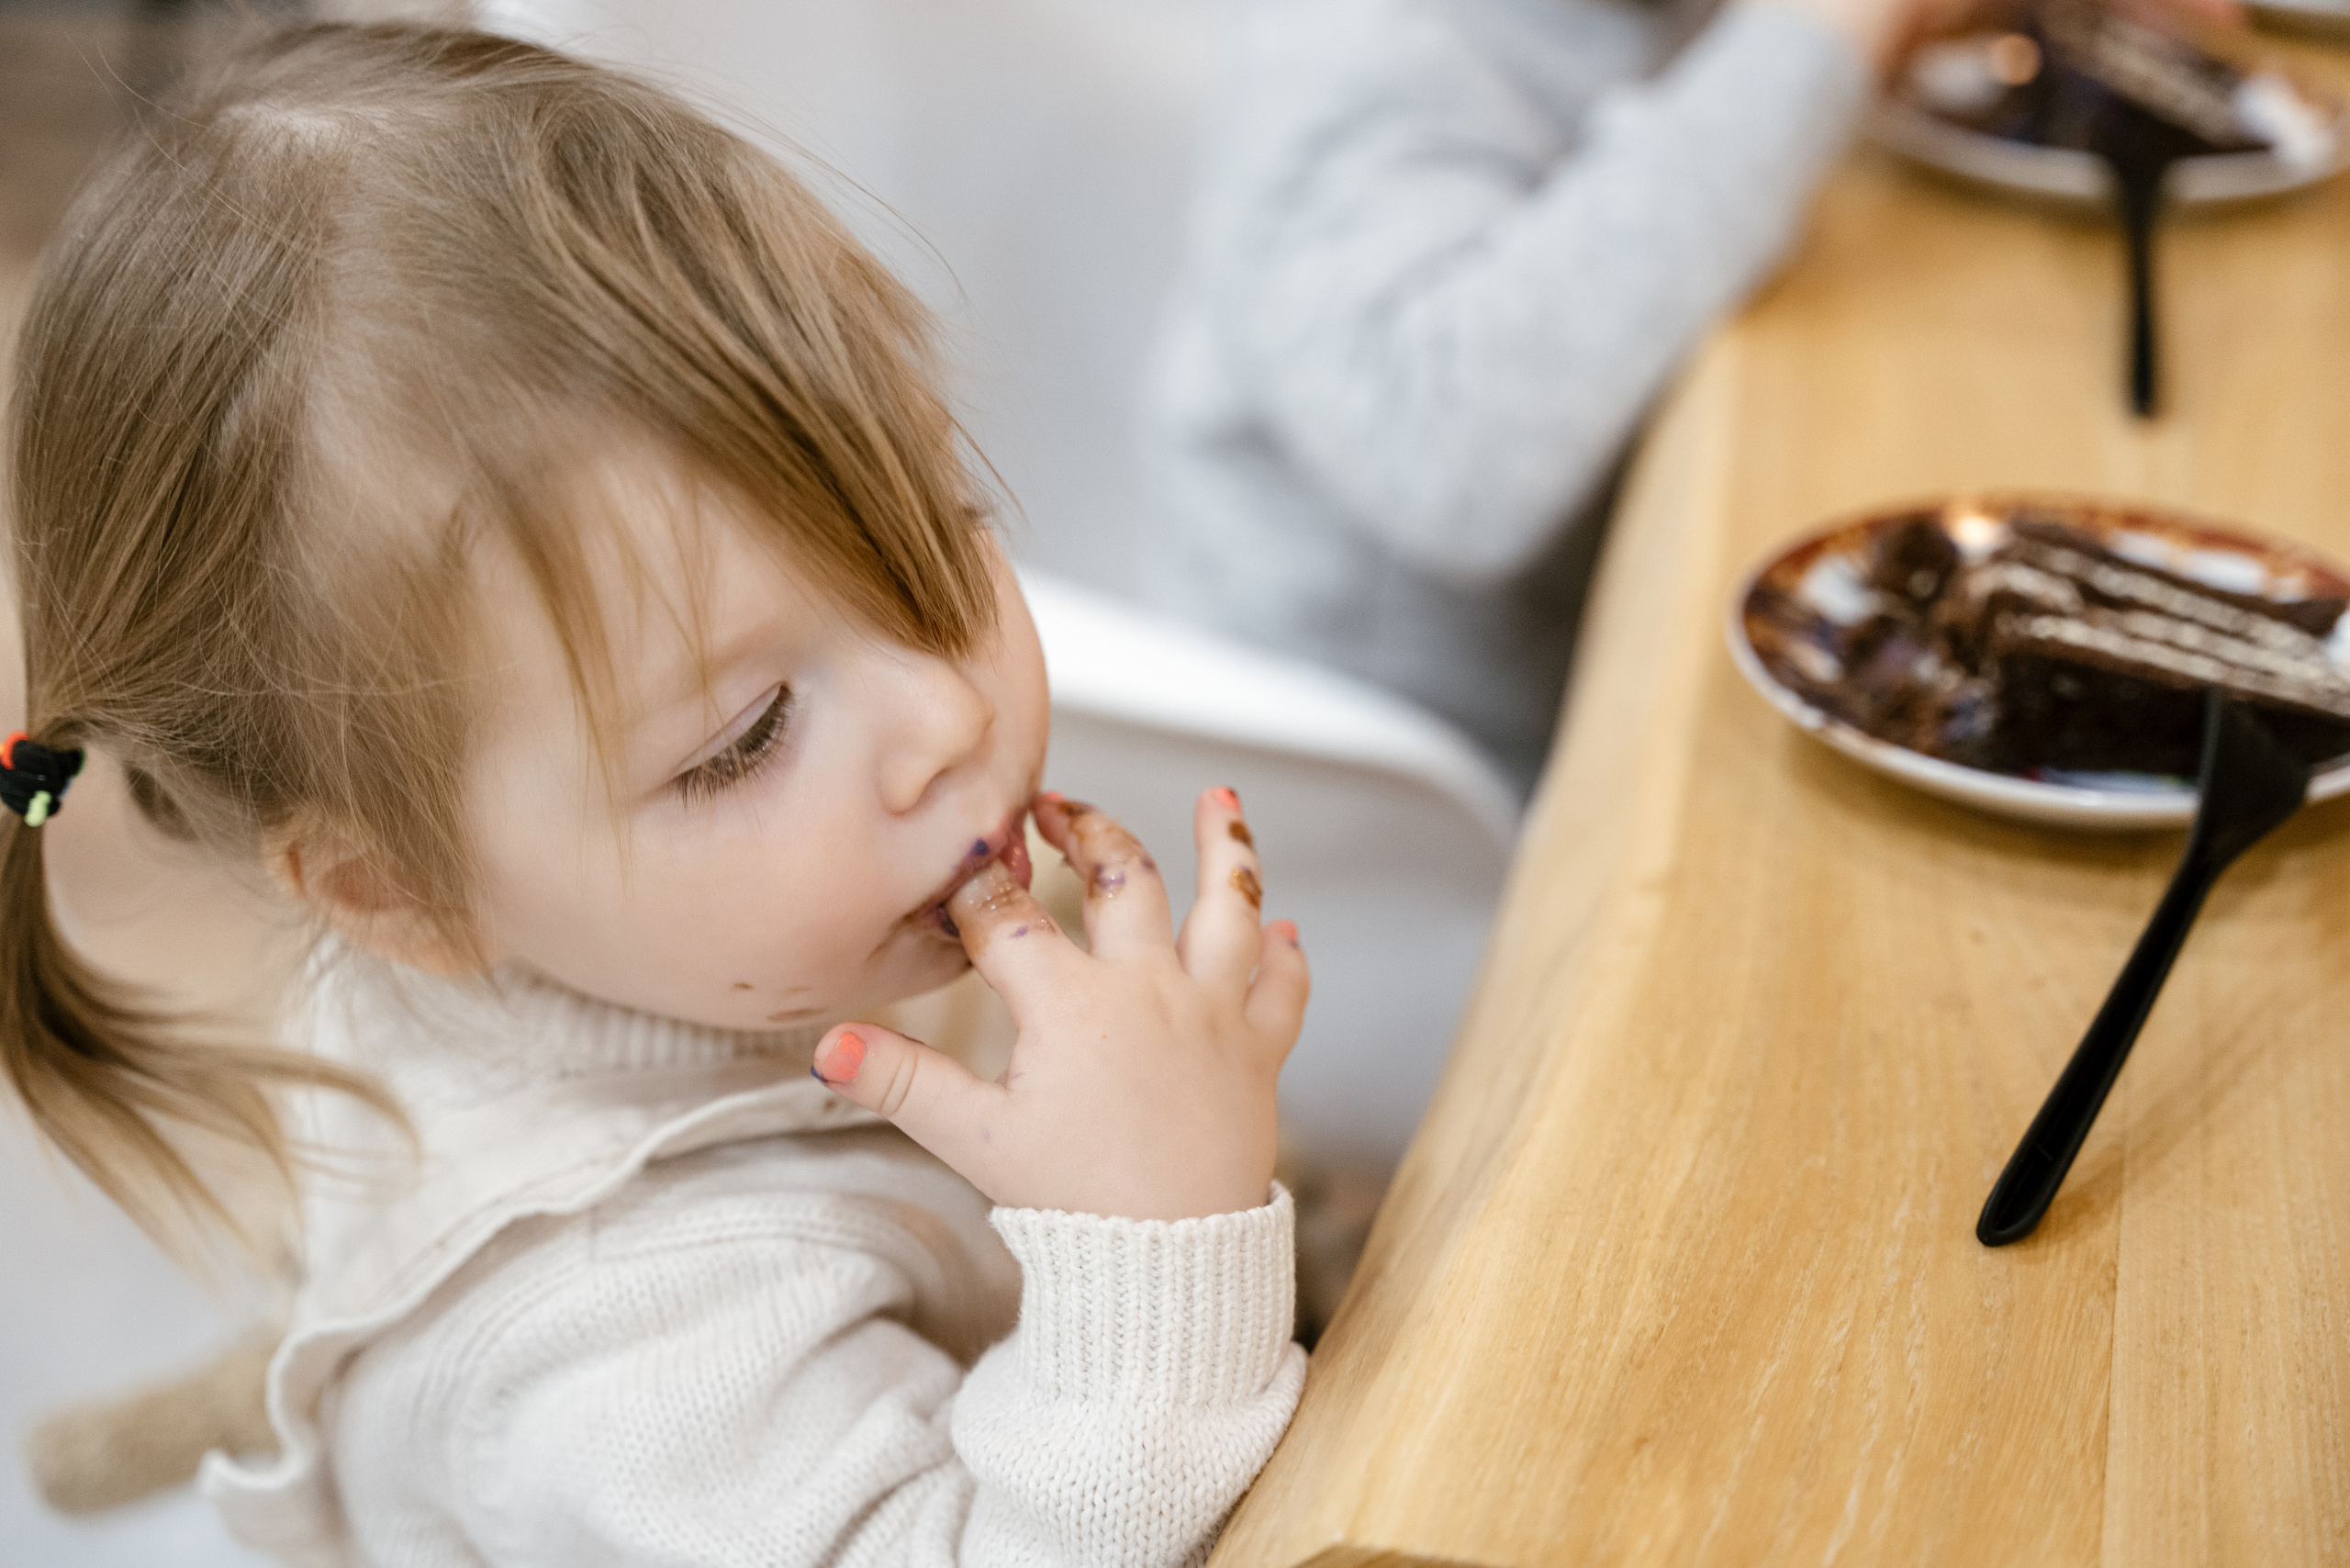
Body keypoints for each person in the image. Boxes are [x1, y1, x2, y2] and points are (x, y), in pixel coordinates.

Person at [0, 24, 1310, 1566]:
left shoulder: (635, 896)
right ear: (399, 894)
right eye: (747, 736)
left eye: (930, 535)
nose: (949, 712)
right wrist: (1160, 1237)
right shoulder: (612, 1353)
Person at [1144, 0, 2010, 792]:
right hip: (1402, 765)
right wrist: (1814, 34)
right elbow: (1444, 459)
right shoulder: (1352, 44)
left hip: (1621, 628)